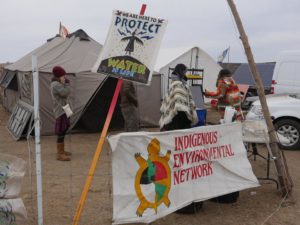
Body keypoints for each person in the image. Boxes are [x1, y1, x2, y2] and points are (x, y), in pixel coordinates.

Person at [159, 63, 202, 214]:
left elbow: (184, 102)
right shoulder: (177, 84)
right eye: (185, 71)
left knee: (179, 151)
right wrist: (186, 121)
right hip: (177, 123)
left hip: (179, 123)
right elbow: (178, 105)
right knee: (178, 150)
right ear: (182, 71)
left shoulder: (179, 83)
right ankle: (176, 182)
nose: (186, 73)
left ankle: (180, 180)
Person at [50, 66, 72, 161]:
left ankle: (62, 150)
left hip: (63, 110)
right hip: (60, 110)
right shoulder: (55, 84)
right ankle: (60, 154)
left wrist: (64, 83)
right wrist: (66, 84)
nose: (64, 77)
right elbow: (65, 93)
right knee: (61, 131)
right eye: (63, 75)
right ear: (59, 75)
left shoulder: (57, 83)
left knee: (64, 129)